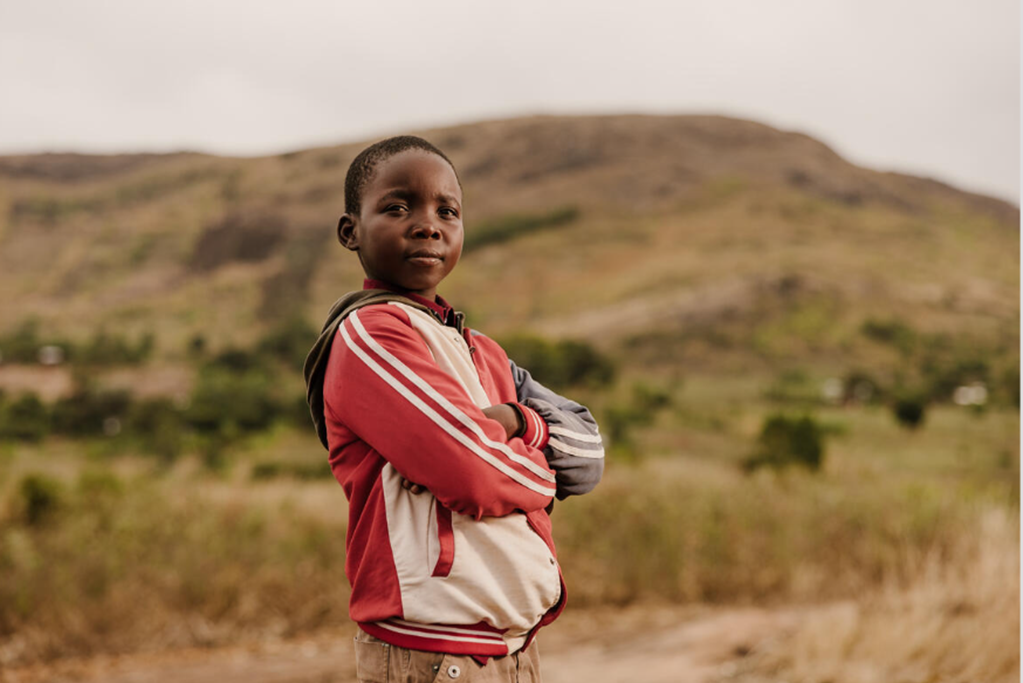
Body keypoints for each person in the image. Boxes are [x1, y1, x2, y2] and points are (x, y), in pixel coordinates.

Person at [304, 135, 603, 682]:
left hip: (513, 649)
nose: (427, 224)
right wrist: (534, 465)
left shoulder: (480, 350)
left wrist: (517, 423)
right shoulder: (371, 335)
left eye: (448, 211)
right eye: (397, 207)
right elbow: (473, 474)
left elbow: (587, 456)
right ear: (351, 231)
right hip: (434, 656)